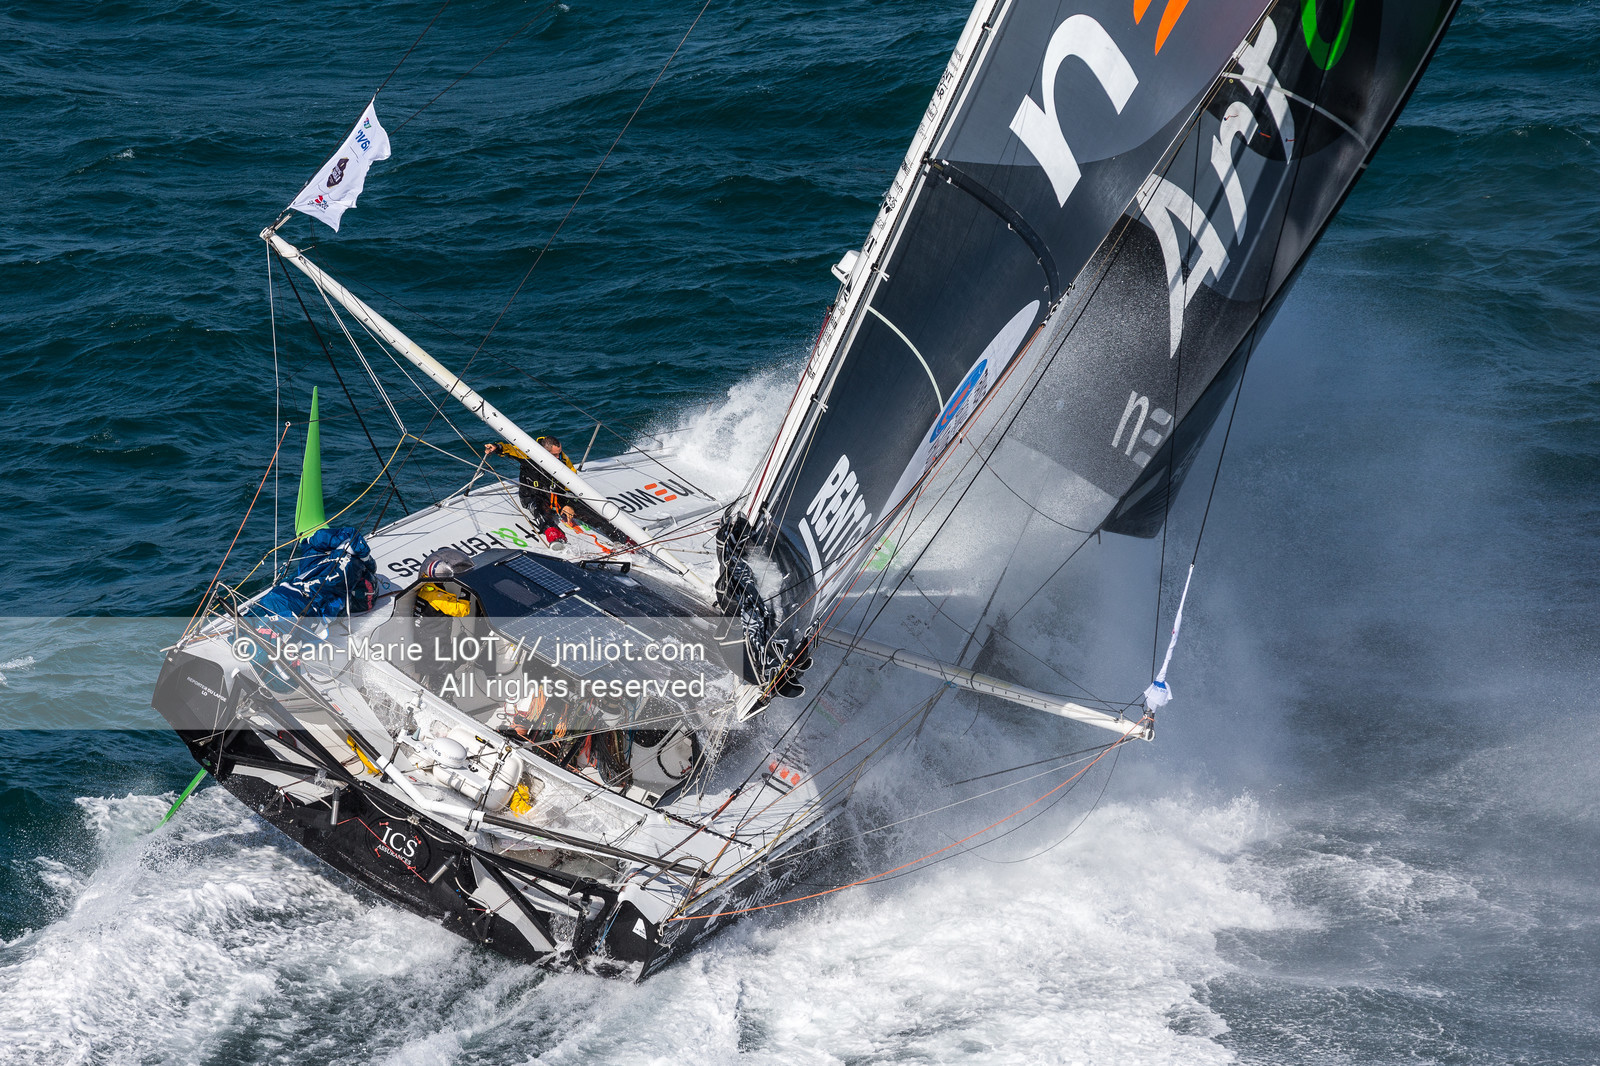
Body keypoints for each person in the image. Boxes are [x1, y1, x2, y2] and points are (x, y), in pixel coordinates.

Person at [483, 438, 572, 547]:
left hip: (555, 493)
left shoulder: (562, 458)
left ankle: (598, 523)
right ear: (544, 452)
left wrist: (568, 503)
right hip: (532, 495)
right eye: (554, 455)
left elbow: (571, 478)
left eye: (559, 453)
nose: (558, 457)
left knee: (580, 505)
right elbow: (511, 450)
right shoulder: (529, 454)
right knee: (538, 509)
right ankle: (554, 535)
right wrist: (497, 448)